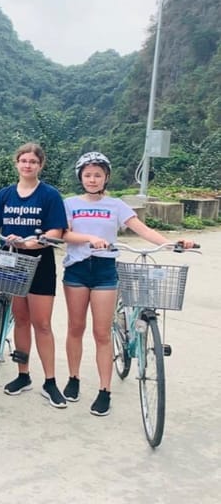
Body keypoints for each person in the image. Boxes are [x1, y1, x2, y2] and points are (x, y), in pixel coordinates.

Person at [61, 151, 195, 416]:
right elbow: (65, 233)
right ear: (80, 177)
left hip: (105, 270)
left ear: (106, 177)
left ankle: (104, 390)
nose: (92, 179)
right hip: (76, 270)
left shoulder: (117, 205)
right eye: (87, 175)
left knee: (101, 332)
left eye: (97, 175)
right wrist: (89, 238)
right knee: (75, 327)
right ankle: (73, 378)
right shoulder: (69, 203)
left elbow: (141, 229)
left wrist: (172, 244)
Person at [0, 142, 68, 408]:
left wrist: (34, 242)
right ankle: (23, 375)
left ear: (40, 165)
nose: (27, 165)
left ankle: (50, 381)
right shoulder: (5, 194)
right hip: (10, 260)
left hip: (40, 262)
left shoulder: (49, 195)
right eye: (23, 161)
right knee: (21, 320)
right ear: (17, 163)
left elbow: (56, 232)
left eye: (33, 162)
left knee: (42, 324)